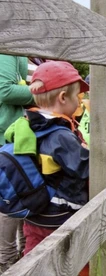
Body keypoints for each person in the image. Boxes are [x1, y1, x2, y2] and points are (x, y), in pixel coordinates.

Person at [4, 61, 90, 275]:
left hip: (35, 213)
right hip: (62, 215)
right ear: (63, 98)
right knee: (74, 261)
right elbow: (86, 167)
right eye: (77, 97)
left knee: (35, 258)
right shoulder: (60, 135)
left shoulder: (25, 124)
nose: (79, 102)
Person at [0, 54, 36, 273]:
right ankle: (6, 260)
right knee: (11, 197)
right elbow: (5, 90)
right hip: (6, 137)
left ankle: (25, 251)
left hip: (15, 135)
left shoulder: (20, 51)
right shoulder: (7, 48)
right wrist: (44, 92)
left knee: (22, 193)